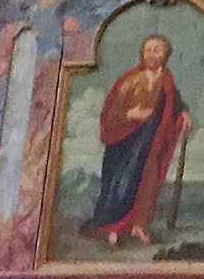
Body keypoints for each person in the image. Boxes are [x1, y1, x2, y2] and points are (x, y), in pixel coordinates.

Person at [82, 33, 191, 248]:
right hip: (125, 142)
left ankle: (137, 226)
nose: (151, 54)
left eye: (157, 50)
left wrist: (183, 113)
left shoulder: (166, 81)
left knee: (147, 184)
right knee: (121, 184)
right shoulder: (129, 79)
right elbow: (110, 113)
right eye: (148, 50)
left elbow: (174, 104)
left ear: (165, 55)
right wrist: (130, 114)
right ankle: (113, 227)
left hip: (150, 142)